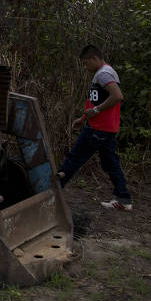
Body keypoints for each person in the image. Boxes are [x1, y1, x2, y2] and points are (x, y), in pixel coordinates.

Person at [58, 45, 132, 211]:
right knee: (110, 163)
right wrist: (83, 118)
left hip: (98, 129)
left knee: (73, 159)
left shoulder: (103, 74)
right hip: (106, 128)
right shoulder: (108, 71)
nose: (85, 67)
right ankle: (124, 199)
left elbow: (117, 96)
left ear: (94, 59)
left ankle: (52, 193)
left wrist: (95, 111)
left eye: (86, 63)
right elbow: (97, 102)